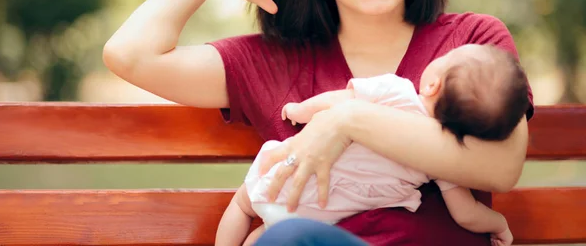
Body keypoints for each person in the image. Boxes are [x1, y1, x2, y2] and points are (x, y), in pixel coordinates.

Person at [102, 0, 534, 245]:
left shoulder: (472, 45)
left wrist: (348, 120)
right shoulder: (273, 62)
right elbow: (130, 54)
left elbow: (501, 166)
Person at [215, 44, 527, 246]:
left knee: (242, 206)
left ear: (433, 84)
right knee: (267, 234)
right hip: (317, 214)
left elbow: (340, 101)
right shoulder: (439, 160)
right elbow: (466, 214)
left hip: (292, 178)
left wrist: (301, 110)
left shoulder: (396, 92)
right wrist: (498, 223)